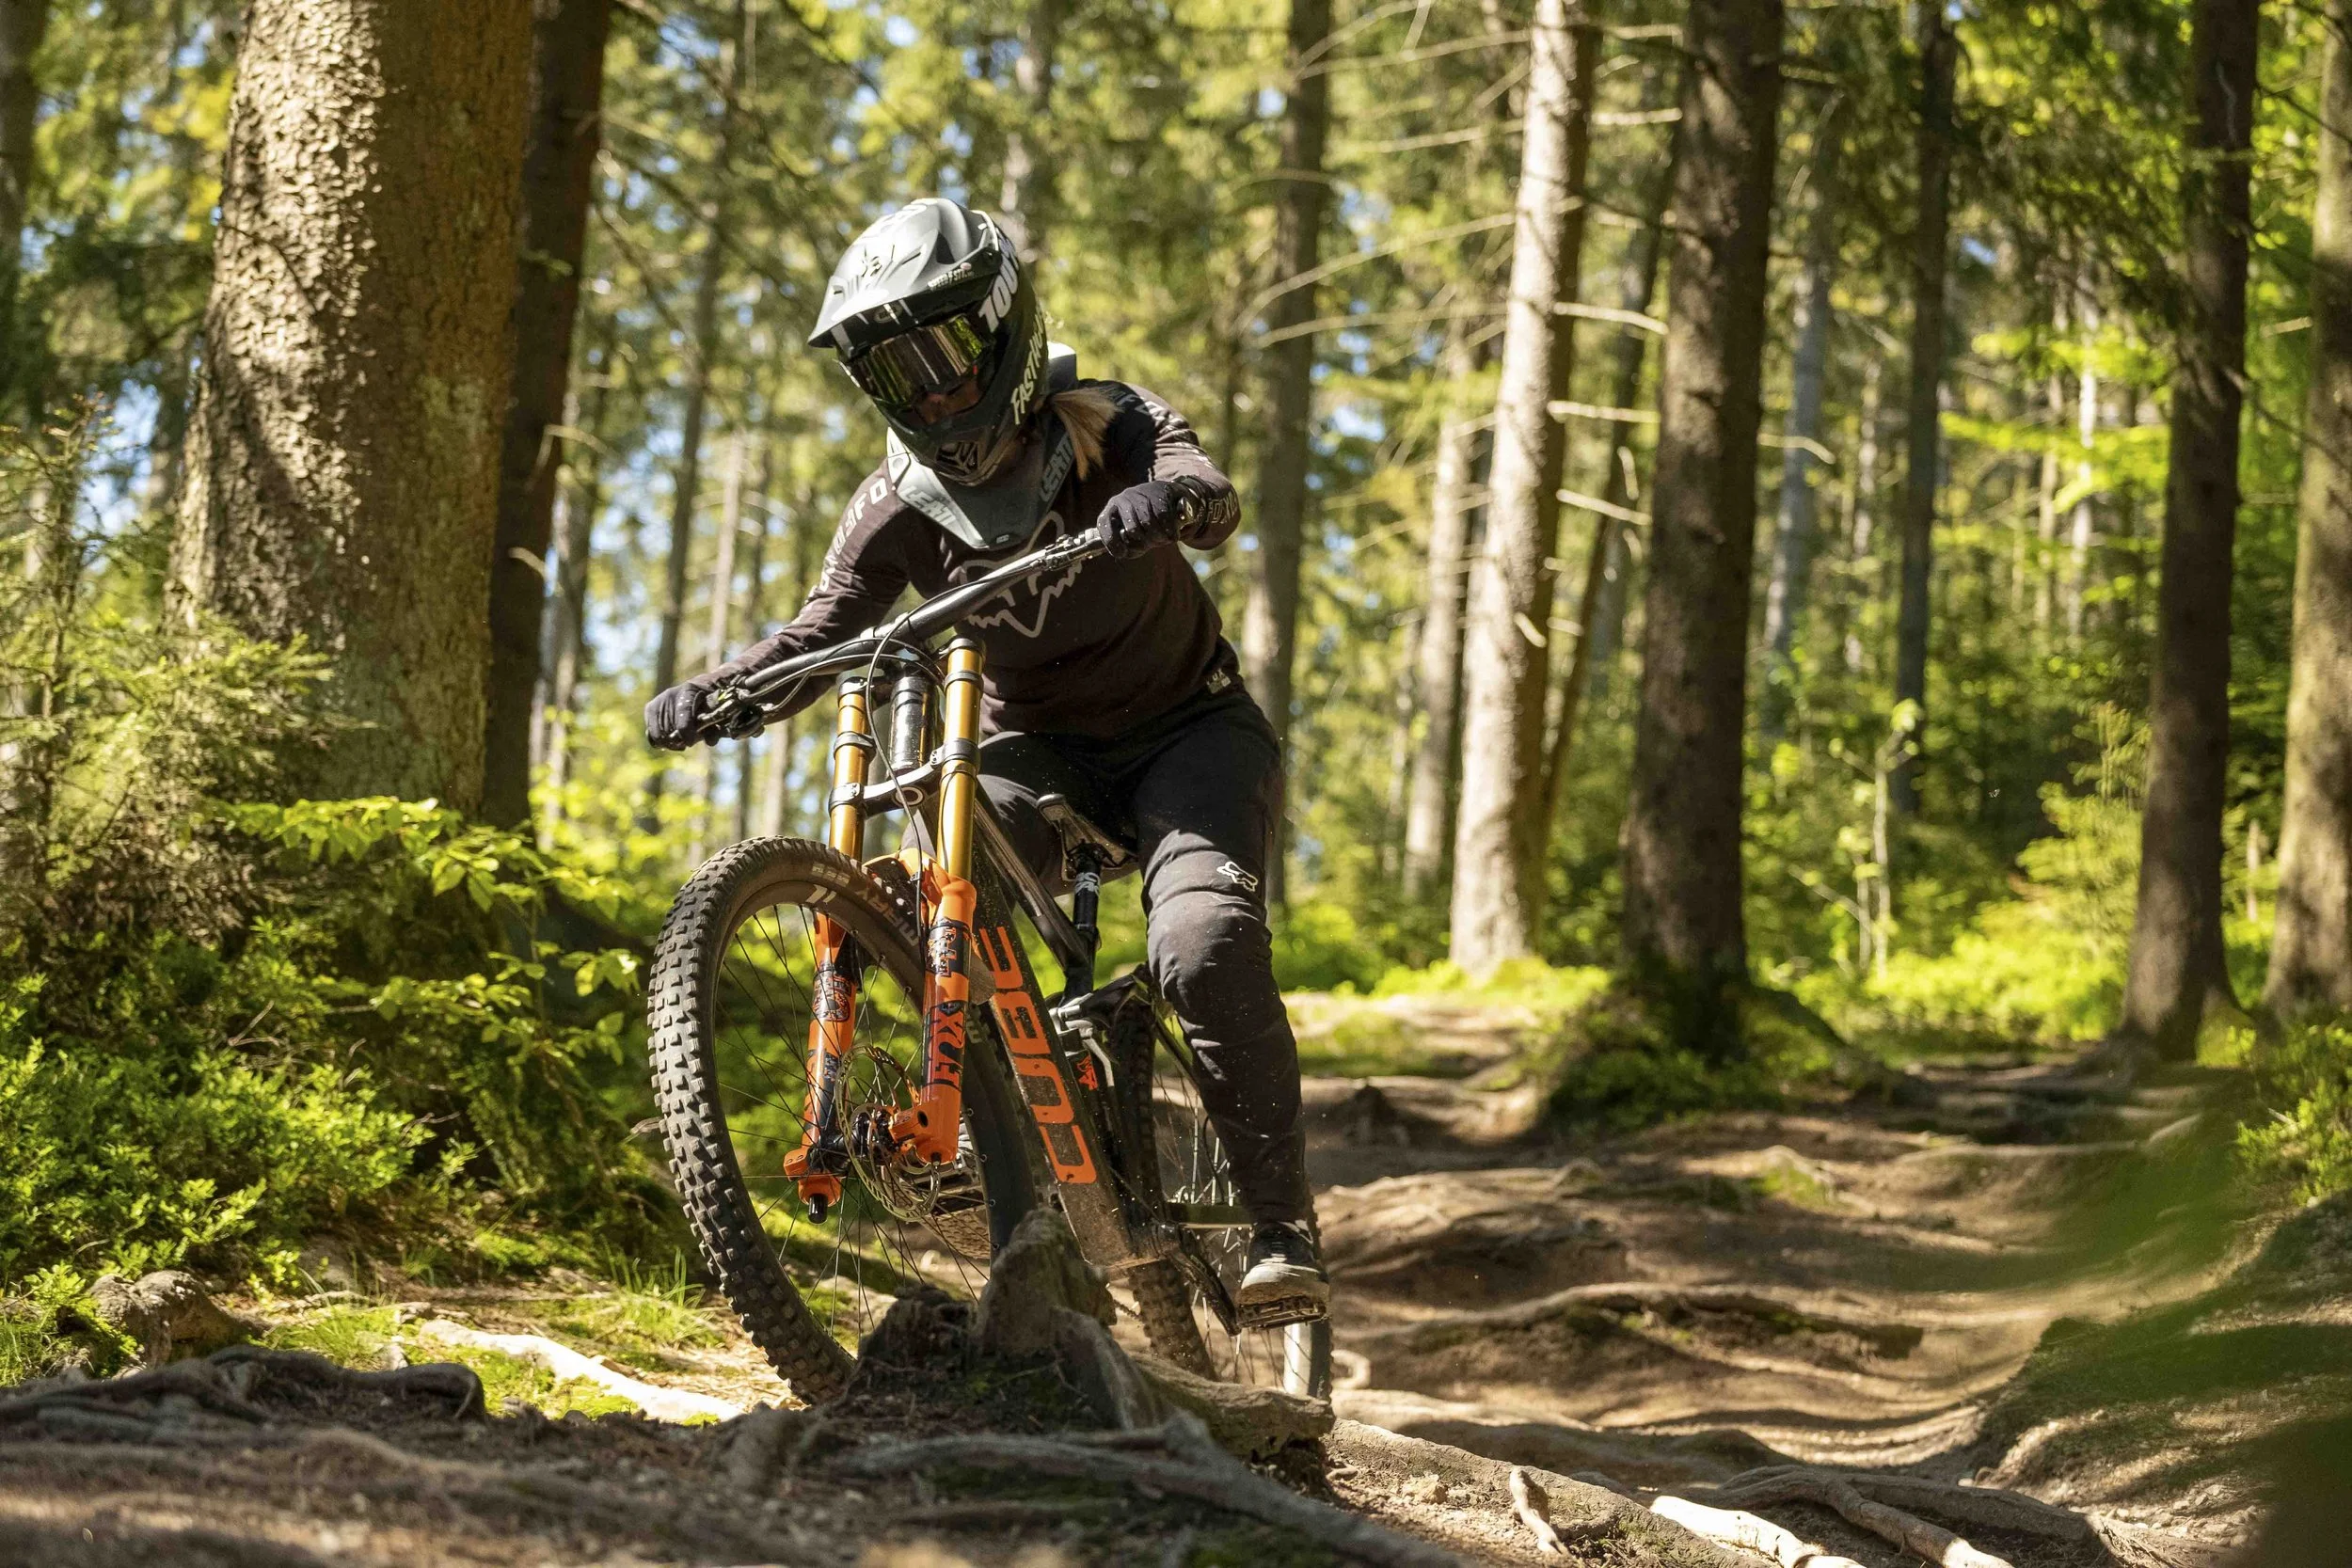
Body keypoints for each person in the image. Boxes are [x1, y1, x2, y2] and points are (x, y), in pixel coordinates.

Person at [644, 197, 1326, 1321]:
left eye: (942, 359)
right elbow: (818, 634)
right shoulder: (896, 507)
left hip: (1189, 731)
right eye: (893, 374)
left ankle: (1279, 1226)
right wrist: (721, 689)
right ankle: (1001, 1143)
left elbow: (1209, 494)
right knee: (936, 889)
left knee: (1200, 944)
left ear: (1002, 327)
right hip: (1034, 753)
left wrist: (1166, 497)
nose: (928, 396)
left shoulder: (1109, 421)